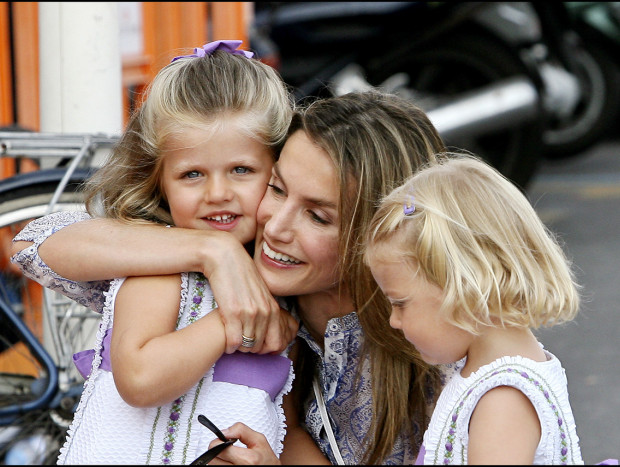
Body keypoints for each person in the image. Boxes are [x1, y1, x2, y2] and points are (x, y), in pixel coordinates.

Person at [12, 90, 455, 464]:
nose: (275, 227)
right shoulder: (229, 274)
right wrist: (212, 250)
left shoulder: (434, 345)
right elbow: (35, 243)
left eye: (318, 216)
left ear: (380, 234)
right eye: (277, 189)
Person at [48, 39, 300, 464]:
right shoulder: (164, 270)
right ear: (159, 181)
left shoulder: (279, 281)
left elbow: (285, 420)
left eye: (241, 170)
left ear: (277, 171)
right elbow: (141, 379)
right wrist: (229, 322)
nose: (218, 194)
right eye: (192, 174)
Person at [363, 153, 584, 464]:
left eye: (399, 303)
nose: (393, 321)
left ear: (465, 286)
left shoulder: (504, 398)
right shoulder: (482, 376)